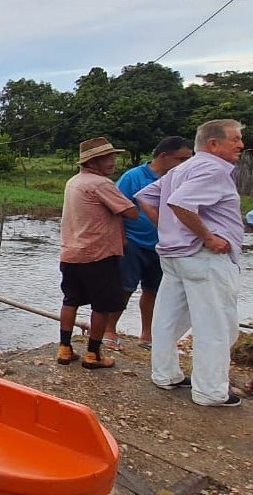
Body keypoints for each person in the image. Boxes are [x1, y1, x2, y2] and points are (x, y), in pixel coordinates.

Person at [135, 119, 245, 407]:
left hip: (175, 255)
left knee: (167, 320)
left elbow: (146, 196)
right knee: (216, 325)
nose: (241, 145)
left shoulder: (183, 168)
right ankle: (210, 391)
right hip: (203, 257)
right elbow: (181, 203)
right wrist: (207, 237)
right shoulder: (212, 168)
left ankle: (165, 373)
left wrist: (168, 230)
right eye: (235, 139)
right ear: (213, 144)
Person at [104, 136, 193, 350]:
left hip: (164, 244)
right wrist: (121, 238)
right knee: (125, 287)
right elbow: (115, 209)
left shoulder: (180, 179)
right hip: (133, 241)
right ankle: (109, 330)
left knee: (154, 290)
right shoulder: (133, 177)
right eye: (181, 159)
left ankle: (147, 334)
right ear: (163, 156)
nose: (184, 165)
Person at [57, 137, 138, 369]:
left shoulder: (74, 181)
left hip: (71, 252)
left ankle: (64, 347)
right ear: (94, 161)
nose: (113, 161)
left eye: (113, 156)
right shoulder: (101, 184)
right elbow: (131, 212)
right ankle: (93, 353)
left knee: (70, 299)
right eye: (108, 158)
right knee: (102, 305)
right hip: (98, 254)